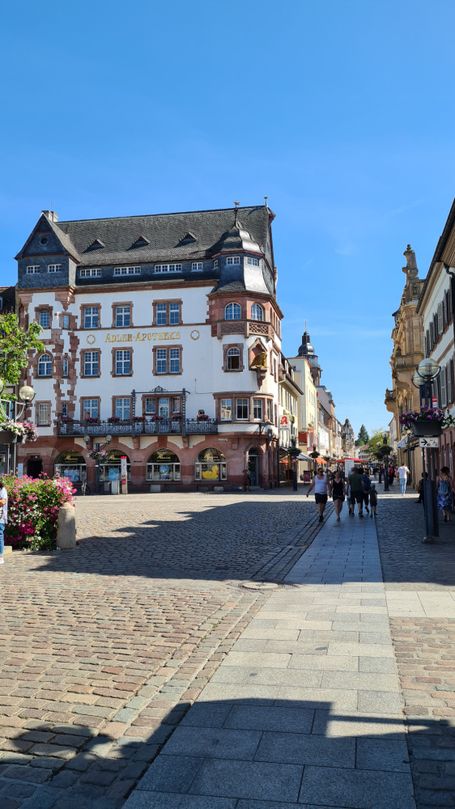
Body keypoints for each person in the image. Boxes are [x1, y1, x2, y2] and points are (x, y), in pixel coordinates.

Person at [0, 478, 8, 565]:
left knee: (0, 535)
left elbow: (3, 502)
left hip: (0, 516)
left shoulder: (2, 489)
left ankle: (1, 556)